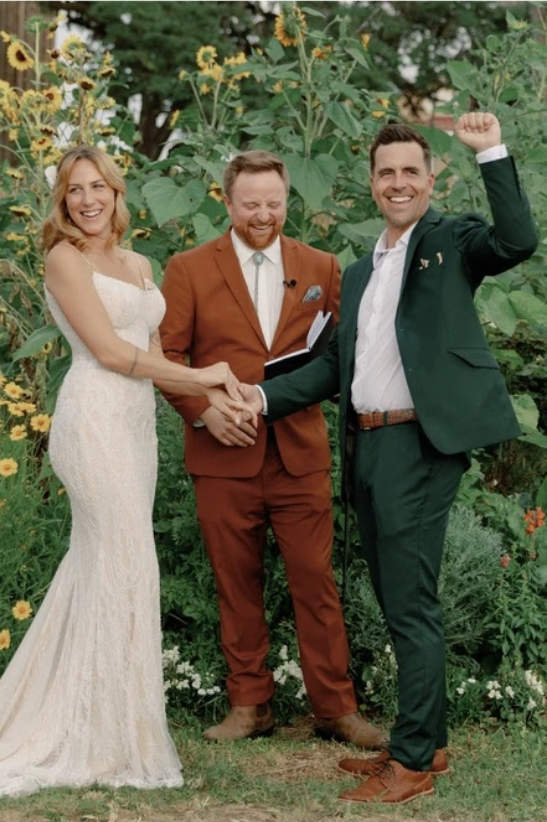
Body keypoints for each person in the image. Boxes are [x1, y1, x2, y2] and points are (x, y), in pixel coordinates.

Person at [243, 114, 538, 803]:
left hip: (419, 445)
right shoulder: (361, 267)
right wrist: (256, 401)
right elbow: (331, 366)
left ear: (432, 180)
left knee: (410, 609)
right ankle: (426, 744)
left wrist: (490, 149)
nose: (398, 183)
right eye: (387, 173)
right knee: (400, 600)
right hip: (367, 445)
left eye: (411, 171)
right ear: (371, 185)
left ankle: (408, 765)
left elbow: (518, 240)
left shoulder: (451, 240)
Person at [0, 145, 252, 807]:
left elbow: (153, 357)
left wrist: (211, 407)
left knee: (113, 565)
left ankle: (111, 724)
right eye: (75, 190)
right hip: (94, 420)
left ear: (115, 191)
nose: (88, 199)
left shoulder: (137, 262)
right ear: (62, 201)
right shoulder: (63, 259)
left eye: (97, 186)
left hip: (134, 430)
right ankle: (98, 736)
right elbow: (108, 352)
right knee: (124, 559)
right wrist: (210, 373)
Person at [159, 150, 386, 747]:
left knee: (316, 583)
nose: (263, 214)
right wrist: (203, 412)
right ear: (228, 202)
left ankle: (335, 709)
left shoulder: (322, 265)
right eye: (251, 203)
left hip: (298, 455)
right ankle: (250, 704)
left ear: (289, 200)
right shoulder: (187, 268)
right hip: (222, 457)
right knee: (235, 583)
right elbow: (167, 360)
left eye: (274, 202)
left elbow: (342, 353)